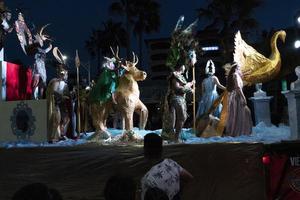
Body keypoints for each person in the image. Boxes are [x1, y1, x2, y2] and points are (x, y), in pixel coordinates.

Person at [141, 133, 193, 200]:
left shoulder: (147, 180)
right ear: (161, 150)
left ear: (145, 151)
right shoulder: (170, 163)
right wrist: (178, 192)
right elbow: (189, 177)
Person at [162, 59, 194, 142]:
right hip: (176, 98)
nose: (185, 67)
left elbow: (184, 86)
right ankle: (176, 137)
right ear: (181, 66)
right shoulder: (175, 75)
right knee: (182, 117)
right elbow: (178, 88)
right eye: (184, 66)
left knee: (182, 117)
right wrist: (188, 87)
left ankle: (176, 136)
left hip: (181, 99)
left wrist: (190, 85)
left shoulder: (180, 76)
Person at [225, 63, 252, 136]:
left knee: (238, 113)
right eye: (239, 68)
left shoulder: (235, 75)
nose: (241, 69)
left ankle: (238, 130)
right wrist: (243, 97)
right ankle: (240, 131)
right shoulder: (235, 75)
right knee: (242, 113)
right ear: (236, 68)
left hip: (235, 96)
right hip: (237, 96)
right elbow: (238, 88)